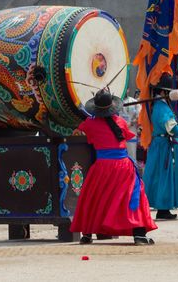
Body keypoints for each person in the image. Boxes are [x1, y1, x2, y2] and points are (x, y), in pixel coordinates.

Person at [70, 88, 156, 245]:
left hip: (102, 166)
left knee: (94, 197)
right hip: (123, 166)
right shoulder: (120, 122)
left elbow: (77, 132)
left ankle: (87, 234)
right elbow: (127, 135)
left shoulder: (89, 124)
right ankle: (139, 234)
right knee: (132, 196)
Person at [143, 73, 178, 220]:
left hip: (163, 145)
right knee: (164, 176)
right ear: (163, 92)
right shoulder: (161, 108)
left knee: (162, 176)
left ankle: (163, 207)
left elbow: (173, 122)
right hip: (164, 146)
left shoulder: (162, 106)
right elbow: (172, 128)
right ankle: (163, 207)